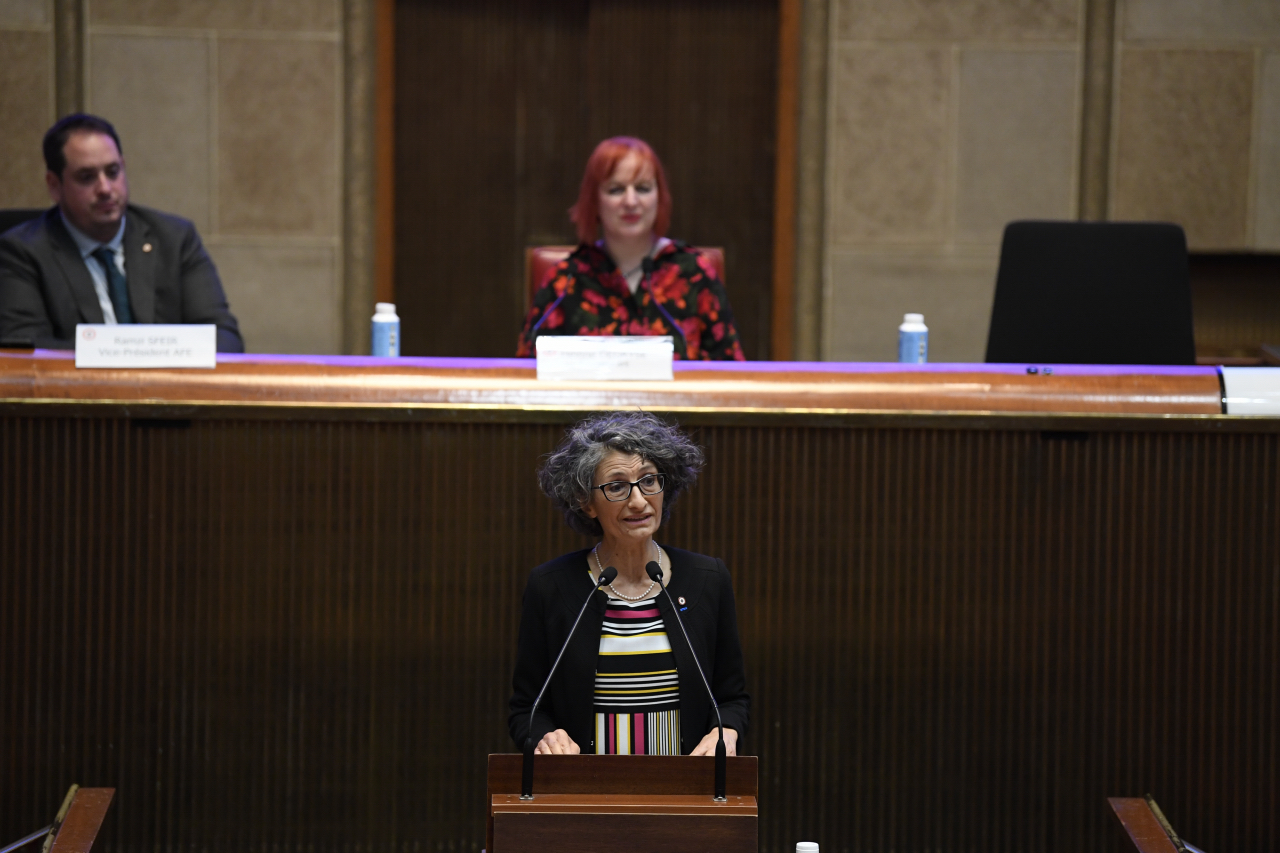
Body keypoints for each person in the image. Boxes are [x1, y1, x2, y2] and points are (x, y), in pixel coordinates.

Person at [509, 411, 749, 756]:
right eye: (617, 486)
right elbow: (526, 710)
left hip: (685, 783)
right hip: (587, 785)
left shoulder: (707, 578)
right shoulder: (551, 586)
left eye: (649, 481)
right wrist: (545, 736)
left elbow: (732, 699)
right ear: (586, 502)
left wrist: (725, 732)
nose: (638, 501)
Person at [0, 114, 244, 352]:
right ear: (54, 185)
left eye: (113, 172)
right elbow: (25, 349)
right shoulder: (22, 252)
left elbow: (224, 339)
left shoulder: (175, 238)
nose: (105, 188)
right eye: (87, 177)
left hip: (167, 380)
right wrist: (124, 354)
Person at [516, 137, 745, 361]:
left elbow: (732, 371)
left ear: (659, 198)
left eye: (643, 188)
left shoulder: (694, 273)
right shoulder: (566, 281)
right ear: (594, 201)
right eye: (616, 190)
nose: (631, 201)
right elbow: (526, 369)